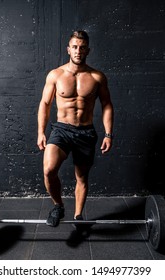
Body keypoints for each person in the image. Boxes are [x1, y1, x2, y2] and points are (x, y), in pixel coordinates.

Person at [37, 30, 114, 227]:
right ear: (68, 49)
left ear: (88, 50)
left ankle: (78, 216)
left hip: (86, 132)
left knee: (81, 177)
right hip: (61, 129)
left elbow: (107, 105)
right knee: (49, 169)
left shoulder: (97, 77)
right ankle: (58, 206)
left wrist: (108, 134)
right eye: (75, 47)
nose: (78, 51)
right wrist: (41, 132)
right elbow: (45, 104)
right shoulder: (56, 74)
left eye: (82, 47)